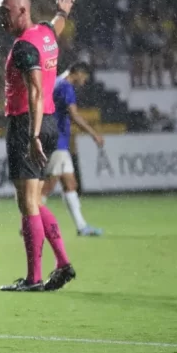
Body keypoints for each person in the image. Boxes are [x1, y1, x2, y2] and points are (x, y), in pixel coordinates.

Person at [0, 0, 76, 293]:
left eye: (5, 11)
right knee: (32, 199)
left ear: (21, 11)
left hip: (27, 123)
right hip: (48, 122)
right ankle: (63, 263)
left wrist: (32, 135)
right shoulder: (44, 33)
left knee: (28, 202)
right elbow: (56, 27)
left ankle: (33, 278)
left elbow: (35, 91)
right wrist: (63, 13)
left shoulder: (24, 48)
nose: (1, 17)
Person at [42, 62, 105, 236]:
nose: (84, 81)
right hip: (57, 142)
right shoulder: (66, 87)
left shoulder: (56, 81)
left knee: (70, 184)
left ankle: (81, 227)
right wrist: (94, 134)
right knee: (48, 185)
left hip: (53, 138)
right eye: (84, 77)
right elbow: (74, 115)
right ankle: (28, 222)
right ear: (77, 73)